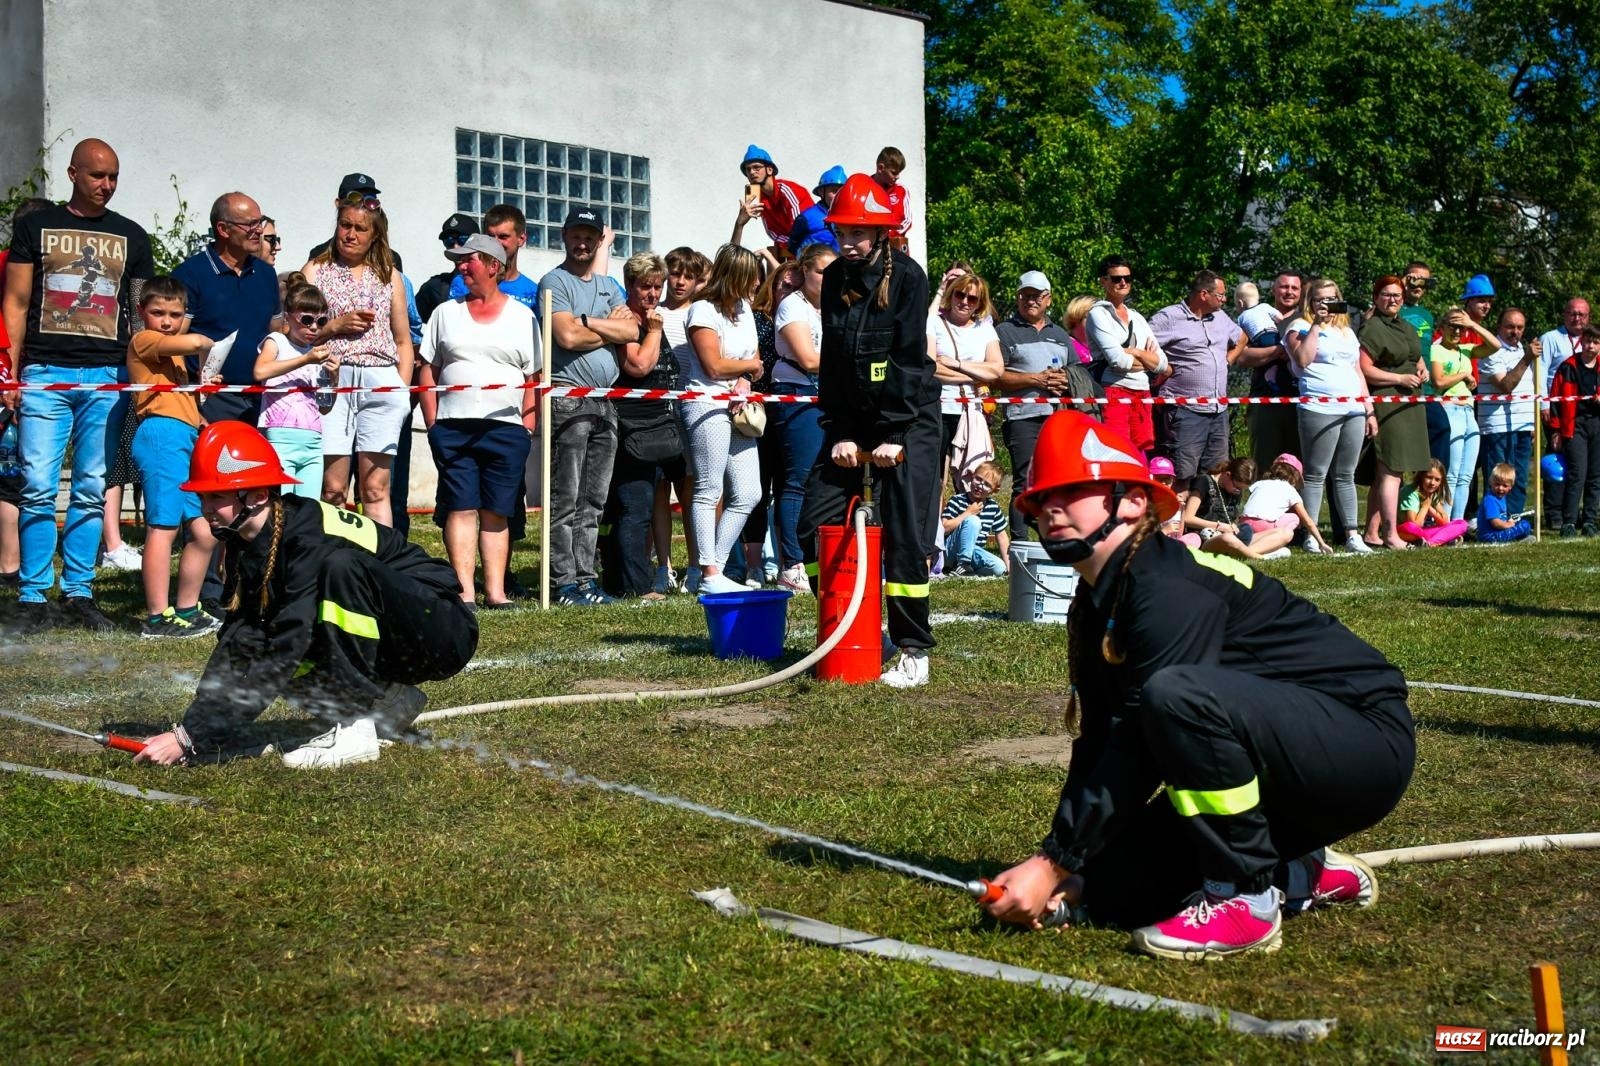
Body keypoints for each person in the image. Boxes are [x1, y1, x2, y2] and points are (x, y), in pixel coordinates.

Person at [984, 411, 1413, 959]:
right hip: (1286, 753)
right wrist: (1071, 862)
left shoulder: (1163, 587)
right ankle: (1302, 872)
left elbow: (1142, 736)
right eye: (1041, 499)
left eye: (1072, 490)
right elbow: (1101, 741)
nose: (1051, 509)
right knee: (1112, 887)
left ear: (1134, 501)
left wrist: (1053, 863)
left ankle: (1246, 899)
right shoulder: (1098, 602)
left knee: (1173, 696)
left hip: (1362, 742)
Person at [134, 422, 478, 769]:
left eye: (217, 496)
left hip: (442, 628)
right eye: (203, 496)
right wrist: (193, 733)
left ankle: (354, 728)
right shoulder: (247, 540)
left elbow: (289, 641)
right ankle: (389, 702)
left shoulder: (306, 539)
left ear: (257, 496)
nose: (205, 507)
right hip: (401, 632)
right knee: (264, 638)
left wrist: (188, 738)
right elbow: (239, 642)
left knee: (334, 574)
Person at [3, 138, 154, 632]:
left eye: (113, 176)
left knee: (92, 488)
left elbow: (140, 315)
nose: (106, 185)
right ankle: (31, 593)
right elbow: (17, 302)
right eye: (96, 176)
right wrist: (11, 371)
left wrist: (143, 375)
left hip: (107, 379)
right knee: (39, 485)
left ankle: (79, 592)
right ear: (72, 173)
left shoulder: (131, 236)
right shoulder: (34, 227)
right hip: (45, 373)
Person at [798, 173, 938, 688]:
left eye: (859, 233)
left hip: (909, 418)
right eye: (842, 232)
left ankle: (912, 650)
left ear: (881, 232)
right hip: (853, 422)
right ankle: (853, 628)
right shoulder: (835, 278)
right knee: (812, 525)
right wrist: (838, 430)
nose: (849, 243)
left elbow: (905, 359)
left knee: (904, 535)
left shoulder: (908, 276)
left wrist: (895, 435)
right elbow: (834, 361)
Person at [418, 233, 541, 609]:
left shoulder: (523, 317)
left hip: (506, 429)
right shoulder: (445, 313)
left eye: (468, 260)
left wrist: (527, 427)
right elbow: (428, 369)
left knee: (497, 509)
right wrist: (434, 423)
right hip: (453, 427)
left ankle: (496, 593)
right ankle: (464, 592)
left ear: (493, 266)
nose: (461, 267)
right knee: (460, 506)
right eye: (459, 261)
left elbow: (533, 379)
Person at [542, 206, 637, 606]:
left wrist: (589, 322)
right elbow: (566, 337)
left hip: (605, 401)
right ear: (565, 237)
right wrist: (604, 327)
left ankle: (585, 578)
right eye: (575, 234)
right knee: (565, 497)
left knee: (594, 499)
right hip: (569, 398)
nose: (582, 242)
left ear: (600, 241)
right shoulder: (555, 282)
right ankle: (562, 580)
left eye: (589, 236)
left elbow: (632, 329)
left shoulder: (610, 286)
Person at [301, 195, 414, 527]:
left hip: (381, 379)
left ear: (374, 235)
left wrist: (401, 389)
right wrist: (334, 326)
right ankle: (332, 566)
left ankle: (378, 569)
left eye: (359, 228)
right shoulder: (316, 270)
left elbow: (403, 340)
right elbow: (288, 330)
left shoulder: (389, 276)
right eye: (344, 225)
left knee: (375, 489)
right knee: (333, 488)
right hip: (333, 378)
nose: (350, 234)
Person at [126, 277, 221, 638]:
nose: (166, 321)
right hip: (161, 437)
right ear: (142, 313)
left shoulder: (174, 354)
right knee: (163, 527)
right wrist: (207, 345)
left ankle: (187, 608)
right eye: (158, 313)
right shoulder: (146, 340)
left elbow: (180, 399)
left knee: (203, 531)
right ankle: (156, 617)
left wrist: (199, 397)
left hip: (184, 436)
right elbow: (198, 340)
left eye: (175, 314)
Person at [681, 245, 764, 596]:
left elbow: (756, 361)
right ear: (733, 278)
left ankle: (713, 566)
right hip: (705, 403)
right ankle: (710, 570)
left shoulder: (744, 309)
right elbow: (713, 365)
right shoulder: (702, 309)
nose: (754, 287)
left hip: (738, 407)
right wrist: (747, 367)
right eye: (748, 280)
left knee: (749, 492)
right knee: (708, 489)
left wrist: (746, 378)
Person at [995, 271, 1099, 538]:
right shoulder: (1004, 332)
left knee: (1053, 483)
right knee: (1024, 483)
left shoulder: (1060, 335)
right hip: (1022, 418)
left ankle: (1051, 542)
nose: (1030, 301)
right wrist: (1036, 380)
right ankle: (1019, 547)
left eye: (1037, 296)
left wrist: (1065, 379)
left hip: (1058, 420)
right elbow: (996, 376)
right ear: (1018, 297)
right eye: (1025, 295)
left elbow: (1078, 373)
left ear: (1048, 299)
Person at [603, 251, 677, 604]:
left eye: (657, 286)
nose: (653, 294)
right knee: (635, 506)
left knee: (635, 506)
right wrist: (655, 331)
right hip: (628, 426)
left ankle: (619, 577)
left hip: (653, 426)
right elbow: (637, 365)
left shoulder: (647, 320)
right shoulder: (626, 320)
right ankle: (635, 585)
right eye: (645, 286)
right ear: (629, 285)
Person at [172, 191, 282, 425]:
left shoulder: (266, 274)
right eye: (250, 225)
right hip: (210, 400)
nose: (259, 231)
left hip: (261, 399)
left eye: (259, 223)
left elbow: (277, 335)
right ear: (223, 229)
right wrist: (191, 405)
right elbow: (174, 343)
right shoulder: (190, 275)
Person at [1285, 279, 1378, 554]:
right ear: (1310, 302)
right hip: (1318, 407)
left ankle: (1352, 534)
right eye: (1319, 299)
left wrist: (1368, 409)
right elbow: (1301, 359)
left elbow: (1357, 371)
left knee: (1345, 474)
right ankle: (1312, 535)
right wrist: (1315, 325)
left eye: (1330, 298)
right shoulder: (1298, 327)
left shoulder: (1347, 331)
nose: (1325, 304)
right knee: (1315, 474)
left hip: (1353, 409)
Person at [769, 243, 835, 593]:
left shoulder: (836, 306)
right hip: (797, 396)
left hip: (827, 397)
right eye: (822, 271)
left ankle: (812, 557)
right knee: (798, 480)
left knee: (820, 481)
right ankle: (792, 564)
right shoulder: (792, 305)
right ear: (804, 272)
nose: (829, 278)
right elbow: (809, 360)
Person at [1358, 275, 1431, 550]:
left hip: (1410, 404)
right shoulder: (1372, 328)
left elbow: (1414, 355)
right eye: (1387, 295)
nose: (1393, 300)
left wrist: (1421, 367)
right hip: (1388, 401)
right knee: (1391, 470)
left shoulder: (1406, 325)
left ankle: (1372, 533)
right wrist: (1399, 380)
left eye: (1397, 295)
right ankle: (1391, 535)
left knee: (1389, 472)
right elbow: (1364, 368)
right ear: (1376, 298)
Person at [1149, 271, 1242, 483]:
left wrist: (1228, 359)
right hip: (1186, 411)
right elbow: (1142, 347)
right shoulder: (1168, 318)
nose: (1224, 299)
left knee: (1216, 473)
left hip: (1219, 410)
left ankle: (1207, 516)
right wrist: (1164, 370)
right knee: (1183, 473)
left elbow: (1241, 337)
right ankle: (1177, 516)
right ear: (1203, 294)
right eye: (1220, 295)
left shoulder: (1220, 317)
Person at [652, 247, 708, 593]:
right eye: (674, 274)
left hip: (691, 411)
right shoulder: (654, 313)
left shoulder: (700, 313)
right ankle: (663, 566)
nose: (680, 281)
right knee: (659, 492)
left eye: (689, 276)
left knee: (690, 494)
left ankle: (695, 565)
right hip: (658, 413)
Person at [254, 274, 339, 496]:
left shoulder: (317, 354)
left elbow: (325, 407)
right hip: (280, 437)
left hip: (312, 440)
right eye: (306, 319)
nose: (313, 328)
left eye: (321, 322)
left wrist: (334, 378)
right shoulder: (277, 341)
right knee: (281, 507)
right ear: (288, 317)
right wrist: (305, 360)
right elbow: (260, 371)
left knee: (308, 511)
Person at [1085, 255, 1165, 455]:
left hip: (1142, 392)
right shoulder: (1098, 314)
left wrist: (1136, 352)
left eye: (1127, 278)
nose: (1123, 282)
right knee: (1116, 452)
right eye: (1116, 278)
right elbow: (1117, 361)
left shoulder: (1138, 318)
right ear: (1103, 281)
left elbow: (1163, 364)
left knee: (1140, 454)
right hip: (1115, 391)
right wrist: (1148, 361)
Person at [927, 272, 1003, 470]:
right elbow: (930, 367)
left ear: (979, 303)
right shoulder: (935, 322)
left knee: (972, 473)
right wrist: (977, 376)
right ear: (951, 295)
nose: (964, 302)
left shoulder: (985, 329)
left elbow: (996, 370)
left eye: (972, 298)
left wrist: (957, 364)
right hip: (939, 409)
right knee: (935, 475)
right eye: (959, 295)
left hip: (973, 411)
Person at [1425, 308, 1492, 523]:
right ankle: (1443, 522)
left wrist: (1472, 325)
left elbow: (1495, 346)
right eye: (1452, 326)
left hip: (1468, 411)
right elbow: (1438, 381)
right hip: (1450, 409)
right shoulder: (1437, 350)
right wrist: (1464, 374)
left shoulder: (1467, 348)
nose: (1456, 331)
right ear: (1442, 328)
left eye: (1460, 328)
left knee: (1466, 475)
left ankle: (1457, 524)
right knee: (1451, 474)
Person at [1476, 307, 1540, 519]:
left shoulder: (1522, 349)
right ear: (1499, 327)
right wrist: (1527, 359)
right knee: (1497, 479)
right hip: (1497, 426)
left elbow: (1530, 388)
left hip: (1522, 424)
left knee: (1518, 478)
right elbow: (1506, 385)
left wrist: (1532, 422)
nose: (1515, 332)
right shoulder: (1489, 350)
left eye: (1520, 327)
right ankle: (1494, 521)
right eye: (1510, 326)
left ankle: (1513, 519)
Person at [1237, 270, 1303, 471]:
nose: (1289, 292)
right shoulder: (1254, 316)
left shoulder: (1308, 321)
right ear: (1274, 289)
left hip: (1302, 401)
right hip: (1264, 401)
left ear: (1301, 292)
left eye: (1294, 288)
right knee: (1264, 465)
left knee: (1298, 468)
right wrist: (1278, 351)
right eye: (1284, 287)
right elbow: (1240, 357)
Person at [1538, 298, 1591, 528]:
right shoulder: (1551, 338)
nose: (1577, 318)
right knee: (1557, 462)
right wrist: (1544, 405)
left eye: (1582, 314)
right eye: (1572, 313)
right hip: (1558, 408)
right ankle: (1555, 514)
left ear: (1588, 317)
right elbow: (1541, 372)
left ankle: (1582, 513)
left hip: (1586, 412)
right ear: (1564, 315)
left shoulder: (1592, 340)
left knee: (1585, 465)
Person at [1181, 457, 1294, 561]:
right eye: (1237, 487)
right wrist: (1219, 526)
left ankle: (1240, 553)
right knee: (1227, 539)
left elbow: (1231, 518)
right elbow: (1188, 518)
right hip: (1207, 539)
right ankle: (1259, 557)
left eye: (1241, 489)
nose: (1238, 491)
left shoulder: (1234, 491)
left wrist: (1233, 526)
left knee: (1286, 533)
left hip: (1231, 538)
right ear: (1228, 474)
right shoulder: (1204, 482)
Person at [1547, 324, 1600, 537]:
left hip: (1597, 424)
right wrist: (1556, 431)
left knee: (1595, 476)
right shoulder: (1568, 366)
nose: (1591, 346)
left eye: (1596, 342)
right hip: (1573, 425)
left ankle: (1589, 521)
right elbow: (1556, 400)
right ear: (1581, 342)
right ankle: (1569, 521)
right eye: (1587, 341)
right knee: (1577, 473)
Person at [1238, 453, 1332, 555]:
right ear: (1295, 476)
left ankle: (1248, 547)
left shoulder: (1260, 484)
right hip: (1264, 527)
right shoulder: (1290, 490)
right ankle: (1266, 548)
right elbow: (1308, 521)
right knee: (1295, 518)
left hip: (1244, 523)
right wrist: (1321, 543)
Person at [736, 145, 816, 257]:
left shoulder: (787, 190)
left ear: (769, 169)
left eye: (756, 167)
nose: (752, 172)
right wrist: (741, 220)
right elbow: (772, 232)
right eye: (748, 169)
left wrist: (790, 243)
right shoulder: (757, 198)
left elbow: (800, 225)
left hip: (811, 243)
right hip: (789, 248)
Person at [940, 460, 1009, 576]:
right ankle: (962, 565)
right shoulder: (957, 500)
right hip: (950, 551)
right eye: (978, 479)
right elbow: (944, 528)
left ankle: (963, 571)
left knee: (1000, 568)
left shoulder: (993, 507)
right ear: (972, 477)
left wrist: (1009, 566)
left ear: (994, 490)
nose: (980, 486)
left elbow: (1002, 536)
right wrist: (967, 513)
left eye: (987, 484)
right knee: (973, 521)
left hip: (973, 552)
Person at [417, 213, 480, 323]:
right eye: (449, 240)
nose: (455, 246)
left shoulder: (495, 281)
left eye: (463, 239)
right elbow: (411, 324)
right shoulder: (435, 286)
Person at [1398, 459, 1469, 546]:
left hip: (1422, 532)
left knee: (1462, 524)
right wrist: (1424, 507)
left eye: (1437, 480)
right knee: (1411, 528)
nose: (1432, 483)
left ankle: (1429, 543)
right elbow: (1414, 524)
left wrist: (1430, 509)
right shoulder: (1411, 492)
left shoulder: (1431, 492)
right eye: (1429, 477)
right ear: (1421, 476)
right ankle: (1442, 540)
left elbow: (1445, 521)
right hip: (1404, 531)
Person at [1477, 462, 1533, 543]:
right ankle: (1520, 538)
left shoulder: (1500, 497)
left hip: (1497, 532)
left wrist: (1509, 521)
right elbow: (1495, 523)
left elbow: (1501, 518)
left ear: (1511, 486)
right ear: (1490, 482)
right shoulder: (1490, 500)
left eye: (1505, 486)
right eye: (1497, 484)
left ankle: (1519, 537)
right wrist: (1509, 525)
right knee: (1524, 525)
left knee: (1524, 524)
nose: (1500, 488)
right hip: (1490, 536)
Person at [872, 146, 913, 249]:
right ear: (881, 168)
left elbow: (907, 221)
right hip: (871, 247)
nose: (898, 176)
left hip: (896, 248)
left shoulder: (901, 190)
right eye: (894, 172)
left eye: (900, 172)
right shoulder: (865, 187)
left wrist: (887, 234)